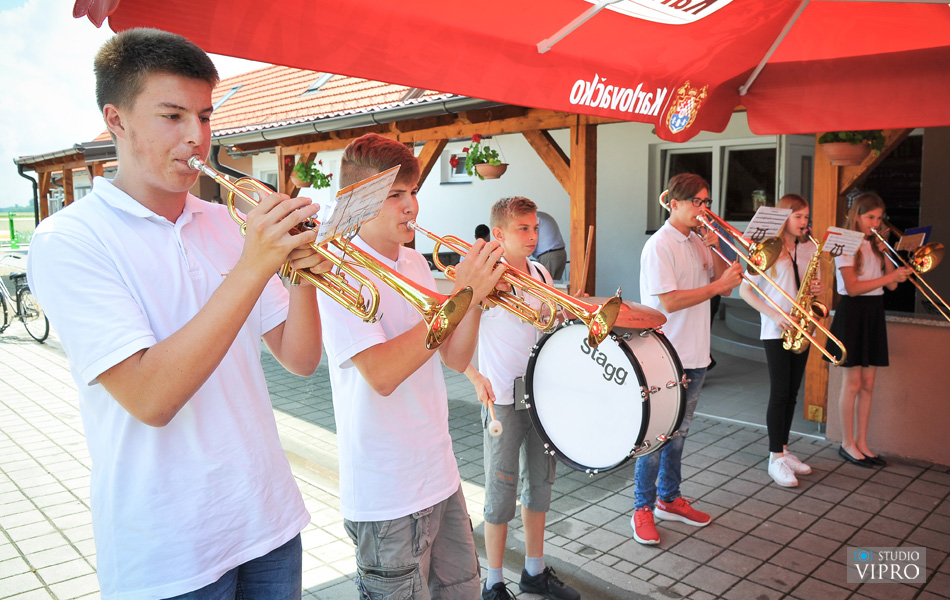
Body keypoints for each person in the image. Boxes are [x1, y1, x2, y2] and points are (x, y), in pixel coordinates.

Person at [26, 28, 332, 599]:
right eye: (173, 116)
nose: (197, 137)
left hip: (268, 520)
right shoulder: (68, 240)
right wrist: (254, 265)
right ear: (116, 121)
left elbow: (301, 358)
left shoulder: (226, 224)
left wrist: (301, 274)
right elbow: (151, 398)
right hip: (168, 550)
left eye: (205, 117)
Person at [317, 133, 505, 599]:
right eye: (394, 195)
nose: (411, 206)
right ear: (356, 200)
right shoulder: (337, 268)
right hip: (387, 493)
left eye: (414, 191)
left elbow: (453, 356)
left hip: (440, 473)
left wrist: (475, 300)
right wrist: (462, 296)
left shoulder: (416, 262)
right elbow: (381, 375)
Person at [463, 197, 580, 600]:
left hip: (539, 394)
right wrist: (473, 376)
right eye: (523, 229)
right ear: (498, 233)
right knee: (500, 491)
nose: (533, 236)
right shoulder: (485, 278)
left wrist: (565, 313)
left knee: (540, 485)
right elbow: (450, 333)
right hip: (502, 397)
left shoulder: (541, 272)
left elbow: (546, 324)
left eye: (535, 228)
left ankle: (534, 571)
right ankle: (493, 582)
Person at [631, 173, 742, 545]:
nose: (703, 208)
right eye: (697, 201)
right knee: (655, 437)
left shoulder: (698, 240)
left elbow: (726, 282)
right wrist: (718, 286)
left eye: (707, 201)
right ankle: (642, 508)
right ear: (674, 203)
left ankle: (669, 498)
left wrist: (717, 249)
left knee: (679, 435)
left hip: (695, 352)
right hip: (664, 353)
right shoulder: (659, 245)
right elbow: (670, 301)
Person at [739, 194, 823, 487]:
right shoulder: (768, 250)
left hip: (803, 327)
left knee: (792, 393)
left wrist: (817, 289)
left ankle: (784, 450)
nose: (804, 222)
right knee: (780, 393)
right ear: (783, 217)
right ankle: (775, 457)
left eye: (806, 216)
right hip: (776, 329)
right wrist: (775, 315)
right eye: (798, 216)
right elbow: (745, 292)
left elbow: (810, 288)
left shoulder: (810, 248)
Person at [825, 192, 911, 468]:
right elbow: (852, 288)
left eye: (879, 218)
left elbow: (892, 285)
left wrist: (887, 255)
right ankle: (847, 443)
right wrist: (890, 276)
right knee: (852, 384)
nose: (875, 223)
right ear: (856, 216)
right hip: (853, 311)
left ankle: (862, 442)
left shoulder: (875, 245)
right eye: (870, 217)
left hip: (873, 311)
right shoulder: (846, 243)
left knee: (868, 384)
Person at [531, 210, 567, 280]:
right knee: (554, 283)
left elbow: (532, 239)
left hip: (549, 256)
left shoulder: (535, 218)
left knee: (545, 283)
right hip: (559, 253)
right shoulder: (541, 216)